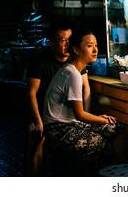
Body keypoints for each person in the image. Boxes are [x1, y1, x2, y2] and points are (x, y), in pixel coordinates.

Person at [42, 29, 126, 170]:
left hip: (70, 124)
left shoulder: (73, 70)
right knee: (102, 143)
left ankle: (124, 170)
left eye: (96, 45)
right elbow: (80, 115)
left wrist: (101, 120)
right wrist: (103, 120)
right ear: (76, 49)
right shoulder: (72, 74)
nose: (95, 50)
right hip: (59, 131)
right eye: (89, 46)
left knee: (117, 128)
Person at [24, 22, 91, 176]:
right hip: (41, 113)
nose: (67, 44)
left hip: (68, 117)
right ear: (52, 44)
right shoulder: (40, 60)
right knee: (36, 137)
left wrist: (86, 114)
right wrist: (37, 120)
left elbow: (86, 87)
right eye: (62, 40)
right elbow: (30, 93)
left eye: (69, 39)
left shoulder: (75, 59)